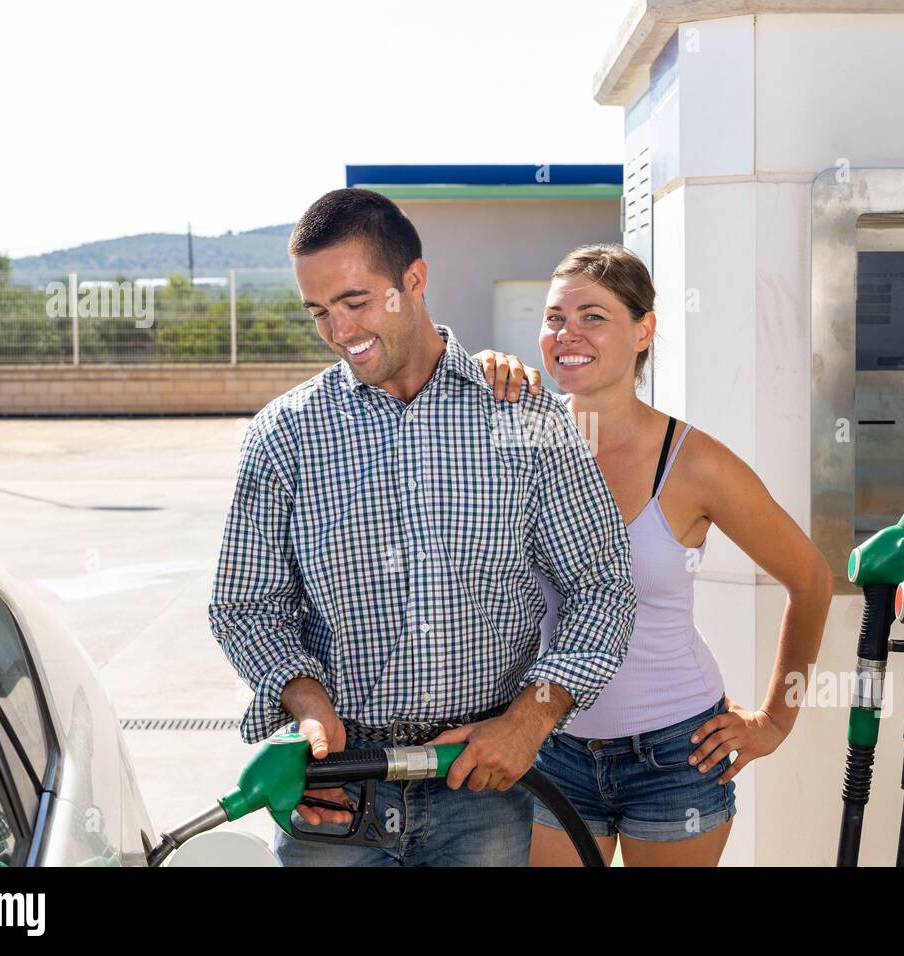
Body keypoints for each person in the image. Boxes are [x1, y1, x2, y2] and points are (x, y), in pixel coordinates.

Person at [208, 190, 637, 866]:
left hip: (486, 786)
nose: (339, 330)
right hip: (337, 794)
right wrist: (309, 703)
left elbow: (602, 584)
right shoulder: (284, 437)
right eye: (319, 311)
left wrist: (530, 720)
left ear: (414, 281)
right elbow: (245, 606)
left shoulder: (524, 414)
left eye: (355, 302)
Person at [475, 244, 833, 866]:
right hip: (544, 740)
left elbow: (810, 579)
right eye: (555, 317)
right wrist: (475, 367)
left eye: (593, 316)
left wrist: (776, 720)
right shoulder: (517, 437)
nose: (567, 334)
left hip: (676, 753)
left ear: (644, 330)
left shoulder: (694, 463)